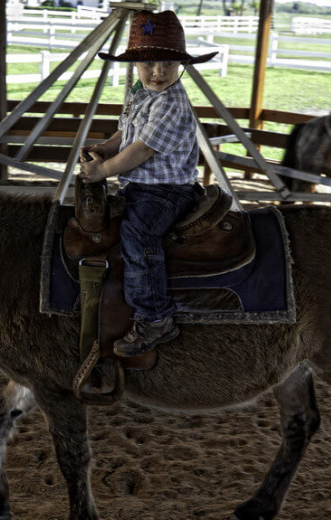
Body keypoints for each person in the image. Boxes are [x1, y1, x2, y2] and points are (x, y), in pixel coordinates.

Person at [77, 10, 217, 358]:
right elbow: (127, 133)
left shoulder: (171, 102)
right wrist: (105, 148)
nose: (158, 72)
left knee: (138, 235)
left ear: (180, 66)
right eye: (149, 64)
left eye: (167, 65)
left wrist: (103, 169)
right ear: (135, 65)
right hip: (141, 186)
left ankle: (155, 317)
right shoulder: (140, 92)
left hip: (167, 189)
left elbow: (141, 150)